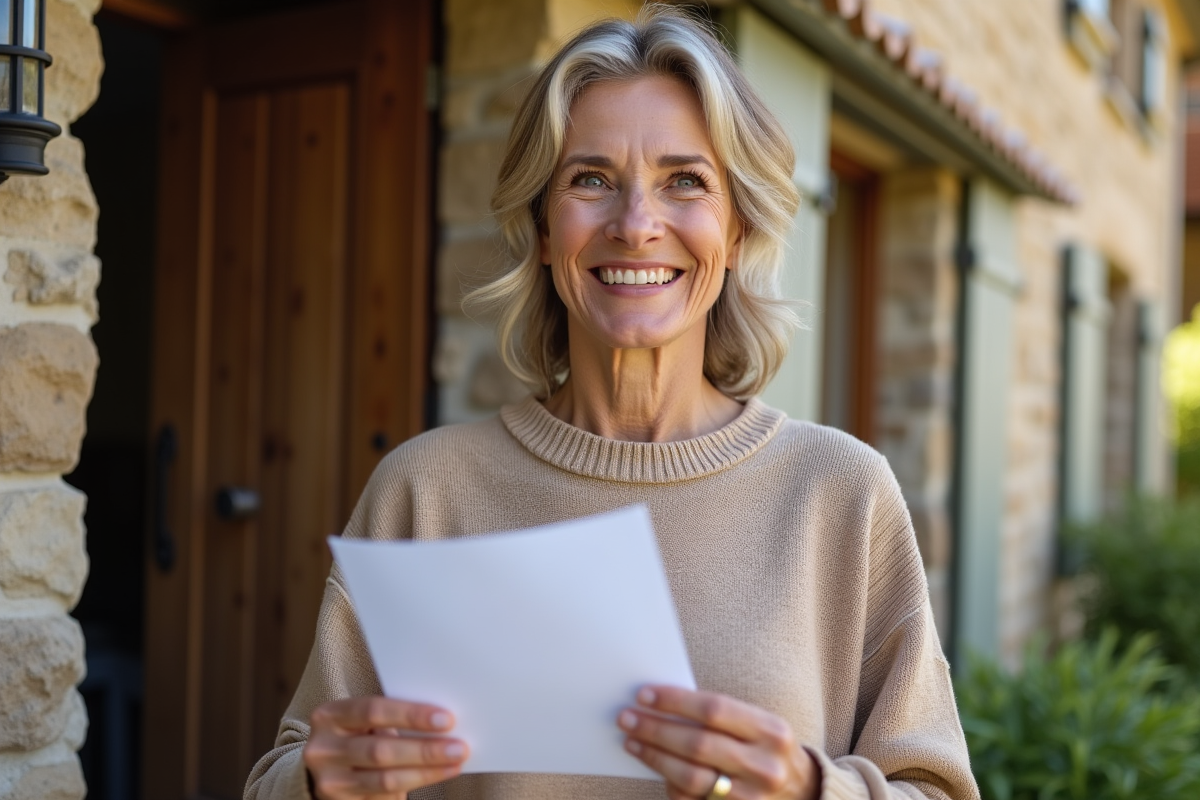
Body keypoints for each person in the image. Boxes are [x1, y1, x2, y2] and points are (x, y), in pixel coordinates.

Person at [245, 7, 980, 800]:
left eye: (685, 182)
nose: (636, 226)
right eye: (590, 179)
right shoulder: (423, 491)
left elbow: (935, 789)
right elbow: (282, 774)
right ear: (544, 225)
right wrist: (318, 784)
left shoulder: (839, 493)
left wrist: (812, 791)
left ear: (735, 232)